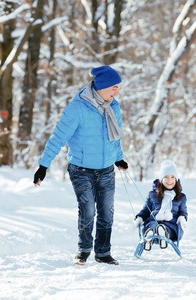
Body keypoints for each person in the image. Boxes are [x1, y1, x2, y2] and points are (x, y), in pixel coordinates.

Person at [33, 66, 128, 266]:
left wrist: (118, 157)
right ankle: (84, 249)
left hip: (106, 169)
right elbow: (58, 137)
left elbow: (115, 136)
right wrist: (43, 165)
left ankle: (102, 252)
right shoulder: (77, 108)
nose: (116, 92)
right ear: (101, 87)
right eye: (114, 87)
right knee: (88, 211)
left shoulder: (114, 107)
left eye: (118, 87)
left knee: (106, 212)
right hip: (81, 169)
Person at [134, 160, 188, 251]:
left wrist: (182, 217)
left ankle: (164, 234)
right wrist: (139, 217)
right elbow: (146, 210)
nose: (169, 180)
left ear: (176, 180)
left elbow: (183, 212)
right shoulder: (153, 194)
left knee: (164, 227)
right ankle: (149, 235)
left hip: (171, 226)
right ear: (161, 179)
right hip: (153, 223)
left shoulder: (181, 197)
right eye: (166, 177)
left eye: (172, 177)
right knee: (153, 225)